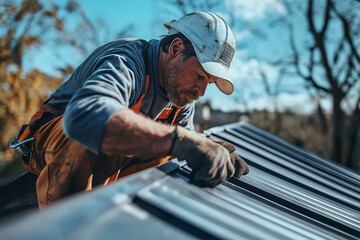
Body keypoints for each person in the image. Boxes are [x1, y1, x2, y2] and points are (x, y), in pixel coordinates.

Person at [11, 11, 249, 209]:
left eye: (208, 82)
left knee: (175, 155)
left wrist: (208, 146)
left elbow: (181, 144)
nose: (202, 91)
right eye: (199, 76)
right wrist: (183, 141)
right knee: (99, 136)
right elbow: (85, 117)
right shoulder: (127, 61)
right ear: (176, 48)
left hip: (111, 162)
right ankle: (66, 228)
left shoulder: (182, 94)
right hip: (56, 144)